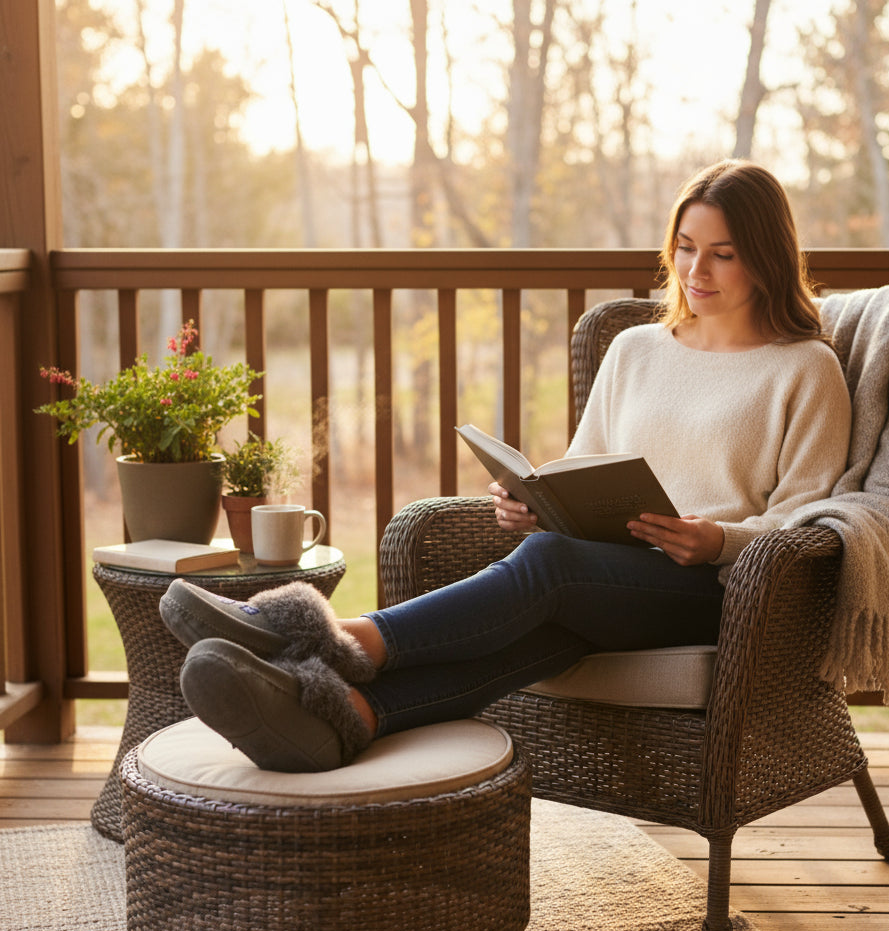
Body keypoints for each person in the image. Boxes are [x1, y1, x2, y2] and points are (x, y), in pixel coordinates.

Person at [160, 159, 853, 773]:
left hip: (721, 593)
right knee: (549, 625)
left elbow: (805, 521)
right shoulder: (638, 349)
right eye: (685, 248)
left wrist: (719, 540)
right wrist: (536, 503)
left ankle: (339, 640)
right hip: (608, 574)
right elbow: (589, 467)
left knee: (550, 564)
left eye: (722, 255)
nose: (695, 272)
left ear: (764, 257)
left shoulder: (804, 368)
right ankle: (347, 717)